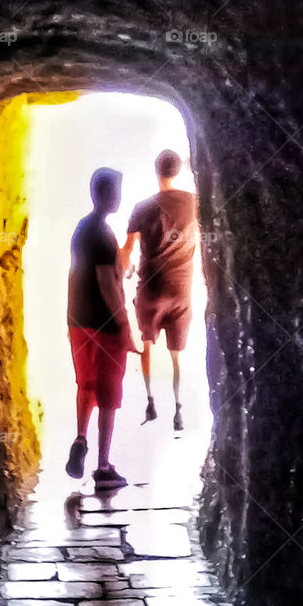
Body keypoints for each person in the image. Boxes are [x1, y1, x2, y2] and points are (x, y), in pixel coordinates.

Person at [65, 167, 137, 490]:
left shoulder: (82, 229)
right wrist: (123, 324)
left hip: (78, 321)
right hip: (106, 326)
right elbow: (107, 282)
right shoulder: (104, 235)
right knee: (109, 395)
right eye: (117, 192)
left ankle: (81, 438)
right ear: (106, 195)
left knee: (86, 384)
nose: (120, 197)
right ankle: (103, 466)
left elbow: (80, 273)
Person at [120, 149, 197, 429]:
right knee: (177, 354)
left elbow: (126, 252)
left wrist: (121, 267)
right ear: (177, 172)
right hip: (181, 290)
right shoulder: (193, 203)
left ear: (157, 171)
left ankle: (150, 401)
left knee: (147, 345)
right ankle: (178, 408)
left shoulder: (142, 207)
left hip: (151, 289)